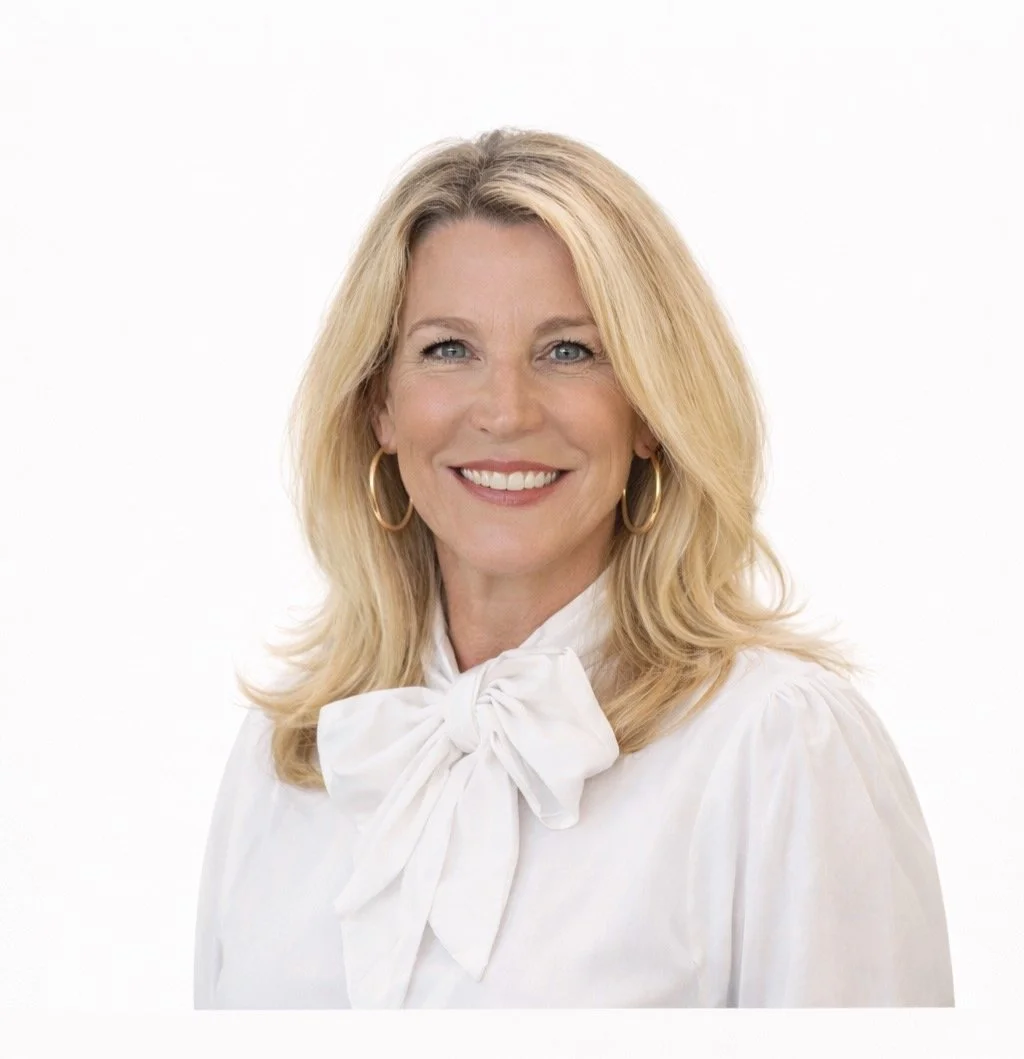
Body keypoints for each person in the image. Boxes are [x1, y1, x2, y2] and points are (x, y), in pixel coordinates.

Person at [193, 128, 955, 1009]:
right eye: (448, 349)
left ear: (650, 411)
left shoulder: (777, 747)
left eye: (569, 351)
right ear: (380, 407)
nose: (506, 411)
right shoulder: (291, 752)